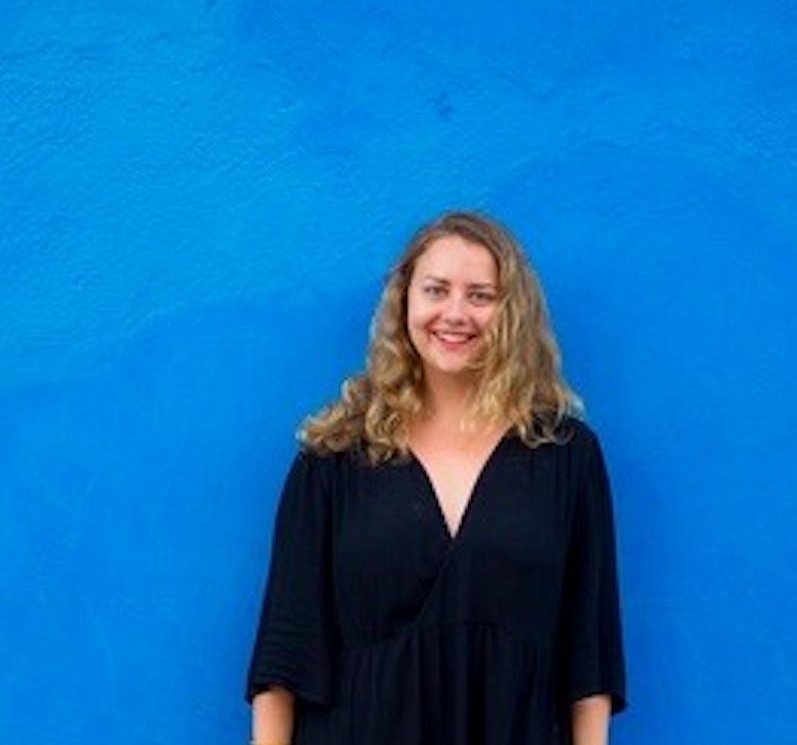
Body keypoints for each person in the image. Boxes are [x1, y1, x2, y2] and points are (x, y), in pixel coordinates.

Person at [244, 211, 628, 745]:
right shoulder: (335, 455)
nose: (455, 313)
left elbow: (589, 654)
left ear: (512, 312)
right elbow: (285, 652)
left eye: (480, 295)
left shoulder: (566, 456)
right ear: (404, 301)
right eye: (436, 290)